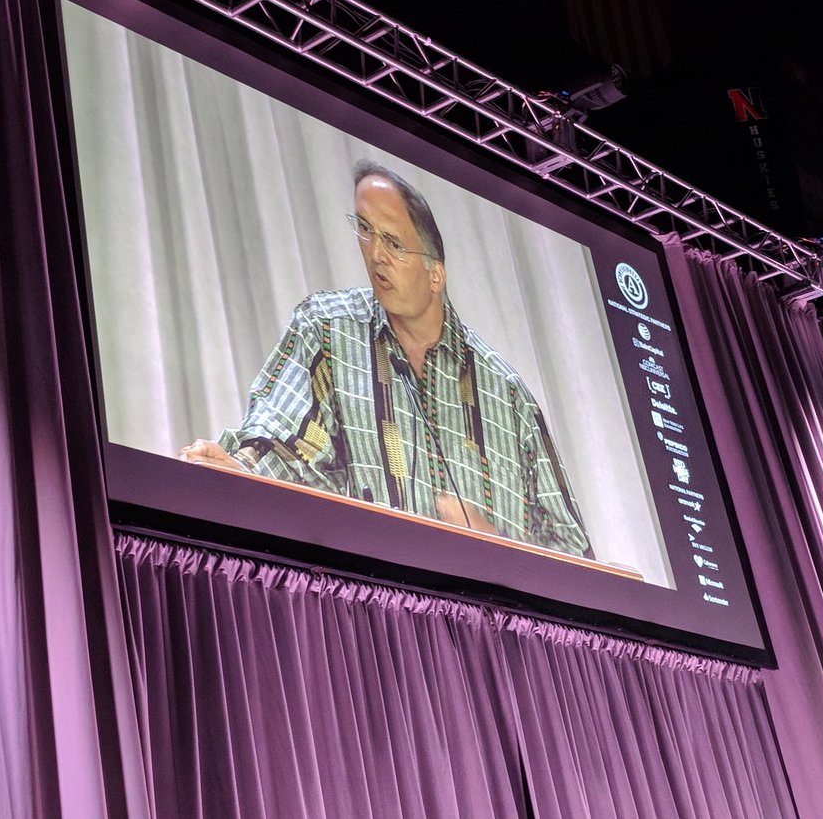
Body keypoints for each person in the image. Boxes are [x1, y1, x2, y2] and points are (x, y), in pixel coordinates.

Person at [181, 160, 592, 559]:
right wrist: (239, 469)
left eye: (393, 243)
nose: (375, 254)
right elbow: (287, 448)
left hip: (493, 623)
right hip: (374, 613)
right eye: (365, 230)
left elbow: (574, 555)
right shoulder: (328, 330)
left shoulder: (506, 393)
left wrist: (498, 545)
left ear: (436, 275)